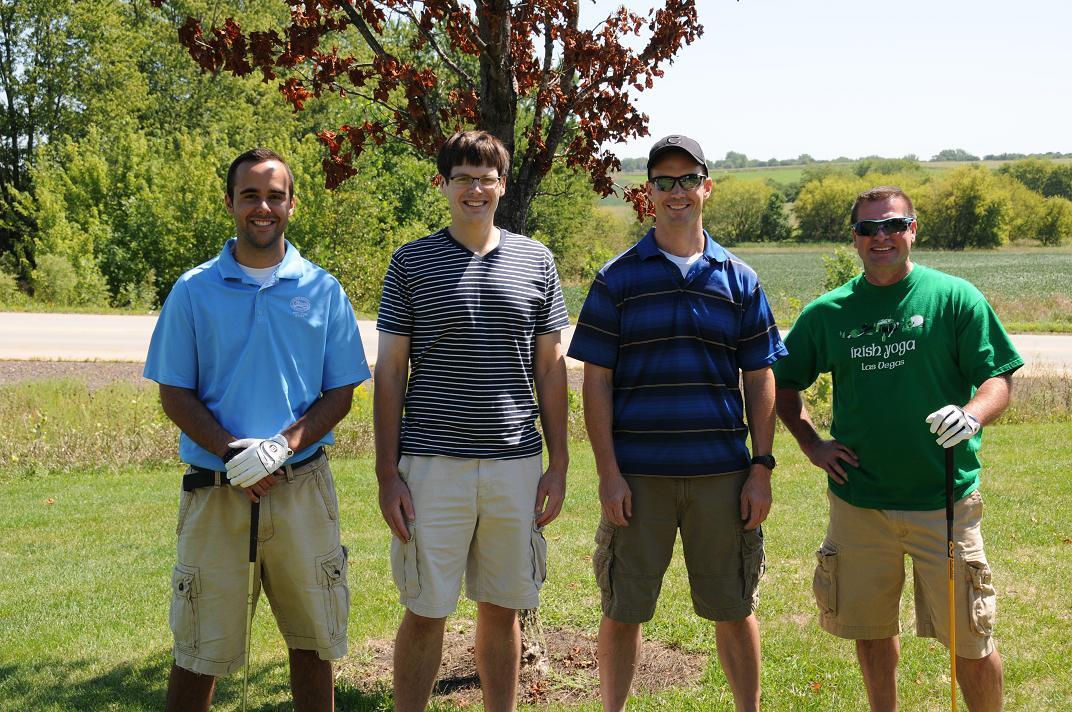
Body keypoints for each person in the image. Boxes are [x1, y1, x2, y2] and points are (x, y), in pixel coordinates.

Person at [774, 186, 1023, 712]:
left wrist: (972, 413)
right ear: (855, 238)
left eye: (893, 225)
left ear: (913, 230)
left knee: (970, 642)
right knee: (871, 631)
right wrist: (812, 443)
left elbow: (998, 378)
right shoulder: (829, 312)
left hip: (945, 503)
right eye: (868, 229)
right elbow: (783, 383)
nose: (880, 237)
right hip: (860, 503)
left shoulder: (954, 298)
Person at [145, 148, 370, 711]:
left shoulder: (323, 290)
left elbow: (341, 391)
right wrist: (234, 454)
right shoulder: (193, 290)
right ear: (230, 203)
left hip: (302, 490)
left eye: (275, 195)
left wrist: (281, 447)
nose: (263, 207)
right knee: (199, 649)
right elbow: (174, 390)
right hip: (216, 492)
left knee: (315, 644)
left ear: (292, 204)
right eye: (250, 195)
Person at [567, 134, 787, 712]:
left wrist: (761, 468)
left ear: (707, 187)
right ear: (648, 194)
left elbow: (761, 377)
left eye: (688, 179)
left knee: (735, 610)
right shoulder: (617, 279)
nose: (677, 192)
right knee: (623, 611)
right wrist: (608, 473)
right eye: (663, 181)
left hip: (723, 478)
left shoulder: (740, 280)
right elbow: (597, 381)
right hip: (639, 481)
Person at [374, 130, 570, 712]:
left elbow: (552, 369)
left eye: (486, 178)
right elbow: (389, 373)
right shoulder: (411, 261)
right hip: (432, 466)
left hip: (515, 463)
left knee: (502, 608)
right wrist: (388, 472)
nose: (475, 189)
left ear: (503, 186)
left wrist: (558, 465)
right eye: (462, 178)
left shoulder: (536, 260)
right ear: (443, 184)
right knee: (426, 609)